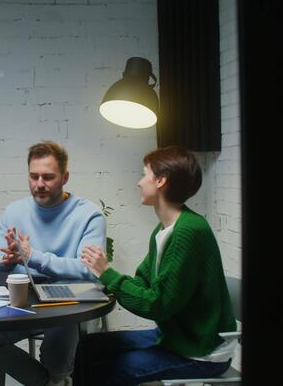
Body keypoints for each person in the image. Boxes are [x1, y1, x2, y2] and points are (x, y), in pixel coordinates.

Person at [79, 145, 237, 385]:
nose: (139, 183)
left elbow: (158, 305)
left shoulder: (189, 231)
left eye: (144, 175)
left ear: (161, 181)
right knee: (90, 346)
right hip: (174, 338)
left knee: (110, 370)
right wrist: (105, 278)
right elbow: (144, 281)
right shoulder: (164, 230)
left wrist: (107, 274)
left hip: (201, 351)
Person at [0, 141, 106, 386]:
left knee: (62, 328)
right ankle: (50, 383)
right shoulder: (15, 211)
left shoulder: (89, 214)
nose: (39, 184)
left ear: (65, 177)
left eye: (48, 177)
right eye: (33, 176)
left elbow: (89, 270)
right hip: (26, 300)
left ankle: (57, 376)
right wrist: (7, 260)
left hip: (69, 302)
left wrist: (32, 257)